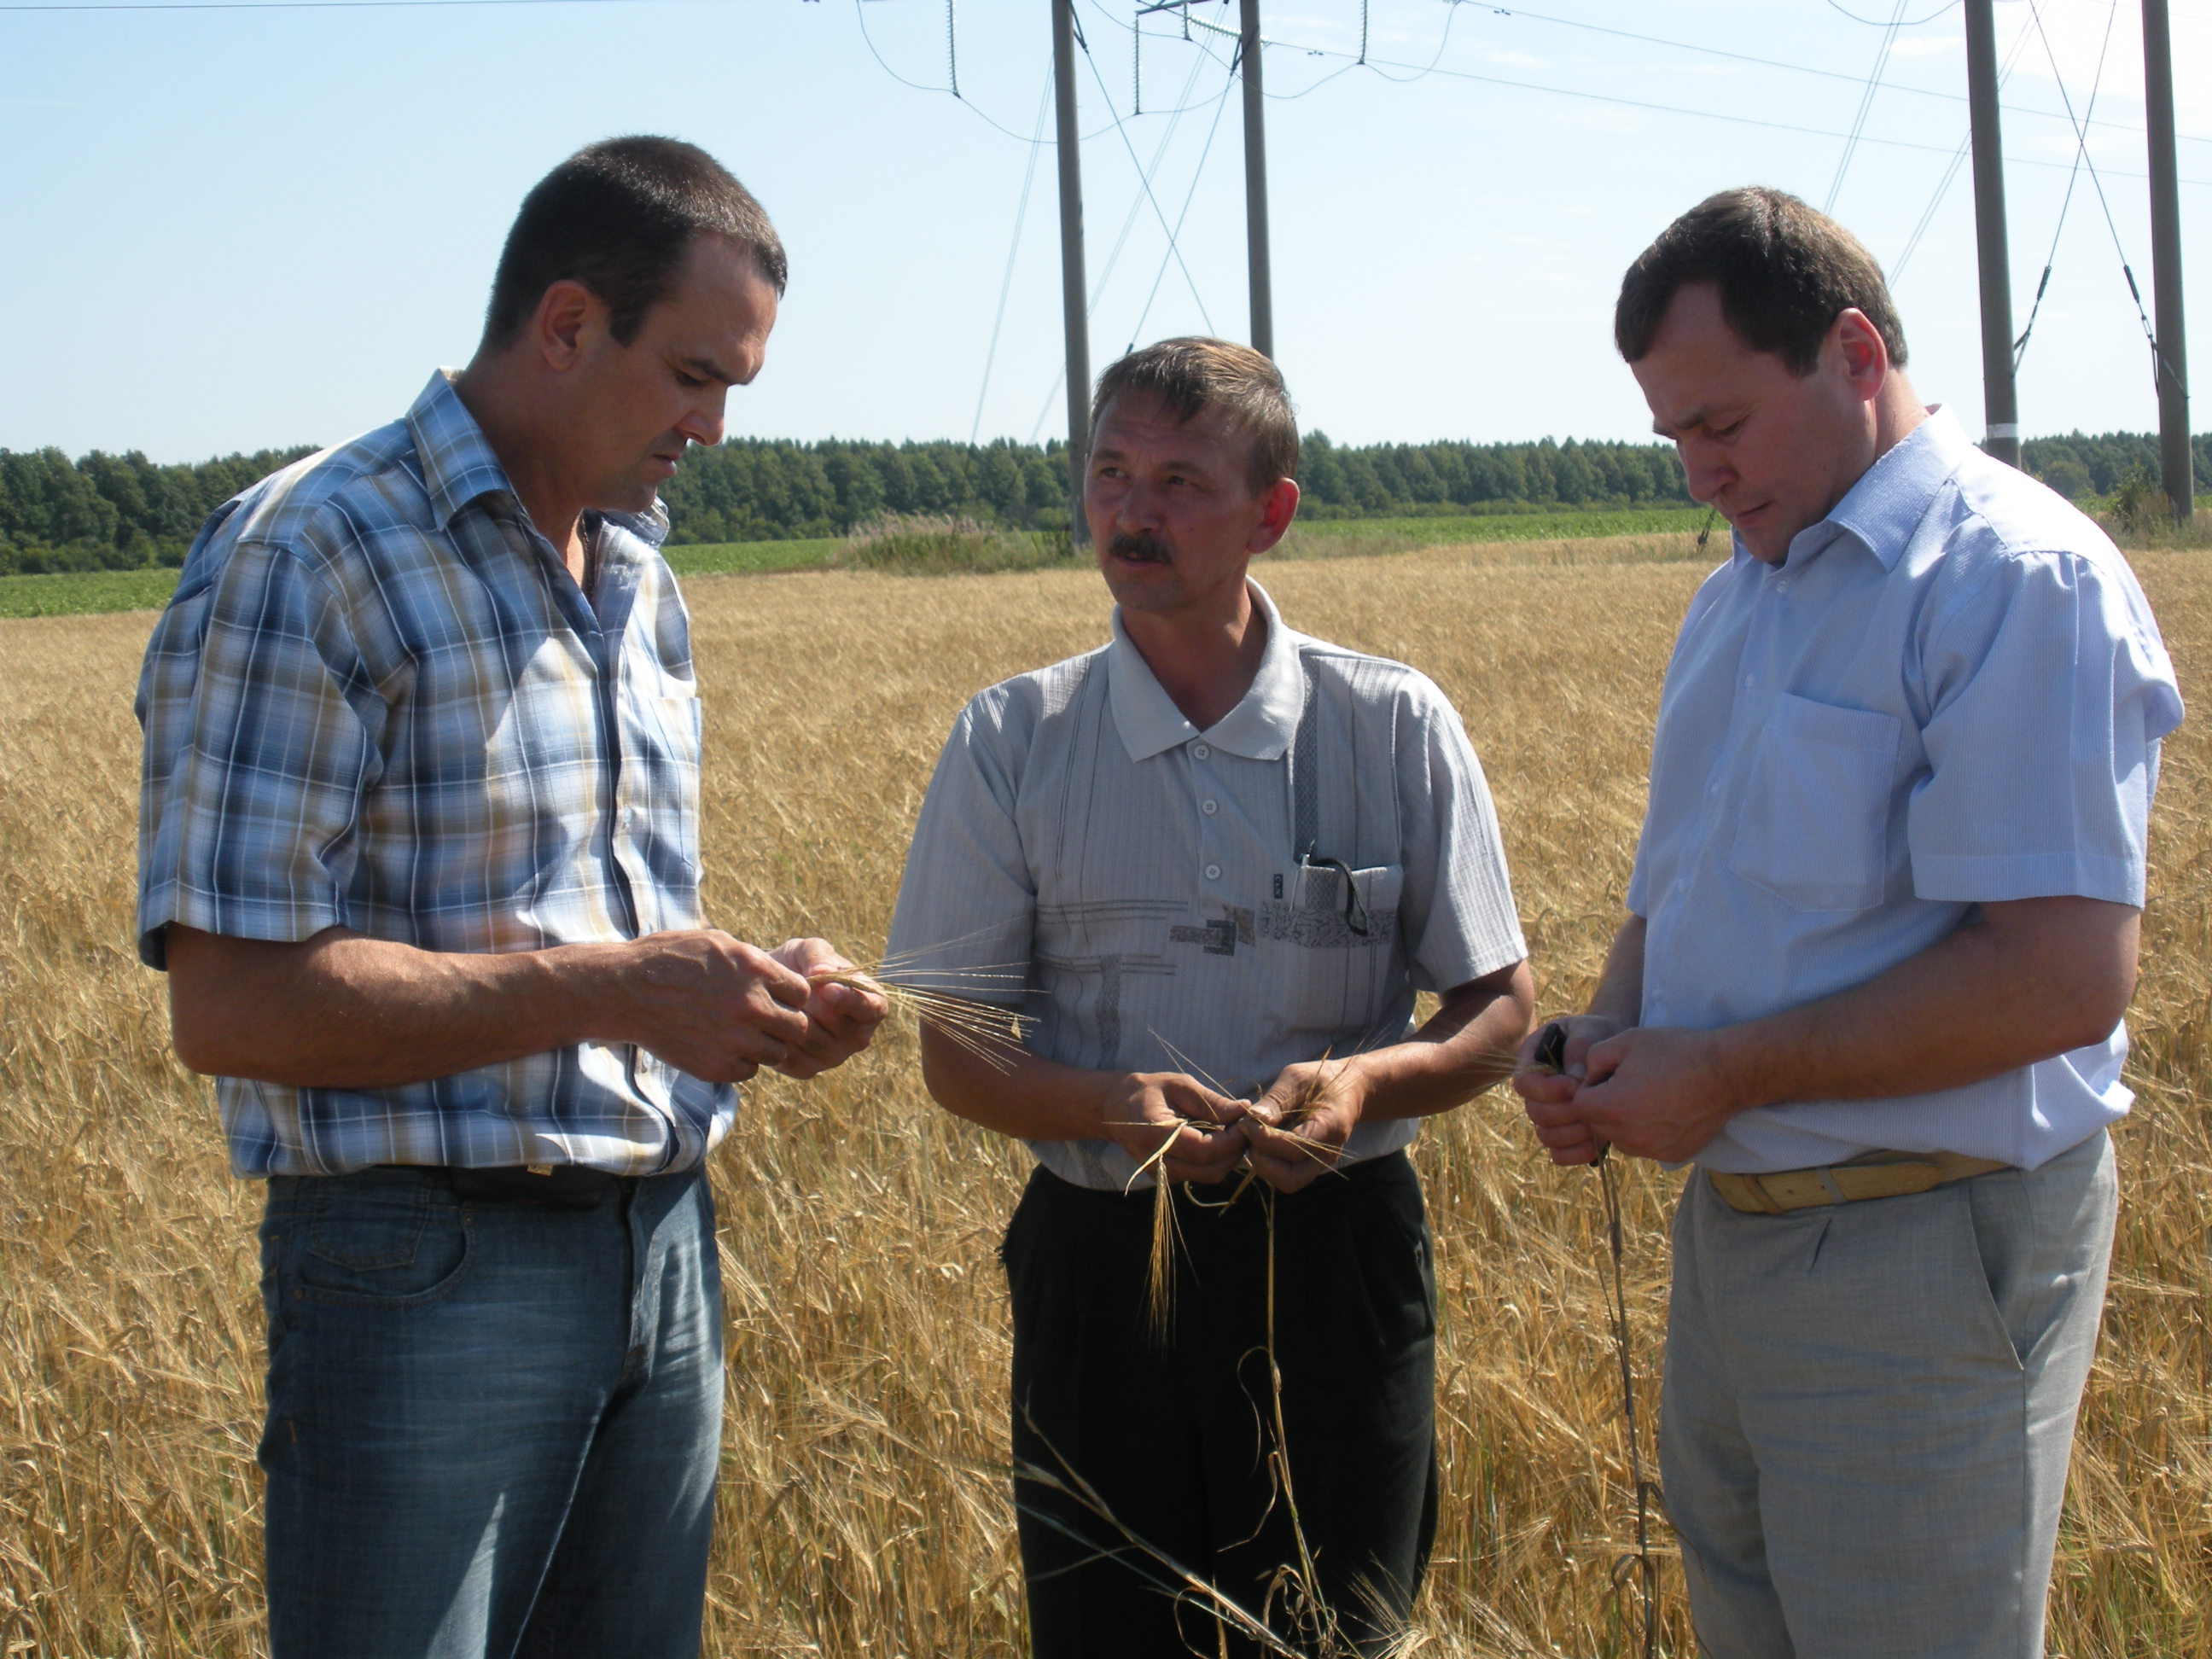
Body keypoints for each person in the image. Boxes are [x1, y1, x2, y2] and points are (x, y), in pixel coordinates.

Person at [135, 136, 888, 1658]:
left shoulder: (637, 578)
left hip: (663, 1243)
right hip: (430, 1271)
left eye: (734, 383)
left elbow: (577, 923)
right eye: (693, 374)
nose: (717, 425)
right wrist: (617, 990)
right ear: (563, 325)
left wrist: (747, 985)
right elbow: (229, 1005)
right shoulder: (317, 552)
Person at [1514, 187, 2183, 1658]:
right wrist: (1610, 1033)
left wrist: (1728, 1074)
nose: (1700, 473)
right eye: (1672, 437)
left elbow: (2063, 978)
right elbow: (1674, 892)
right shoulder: (1739, 604)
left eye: (1724, 424)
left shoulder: (2015, 578)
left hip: (1922, 1248)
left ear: (1858, 352)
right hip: (1736, 1243)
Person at [887, 337, 1534, 1656]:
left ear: (1272, 514)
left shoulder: (1394, 727)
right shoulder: (1012, 741)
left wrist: (1364, 1086)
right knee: (1108, 1636)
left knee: (1336, 1634)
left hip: (1337, 1258)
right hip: (1103, 1259)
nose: (1133, 509)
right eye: (1113, 472)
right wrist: (1102, 1103)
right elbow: (954, 1050)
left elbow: (1500, 1011)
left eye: (1181, 480)